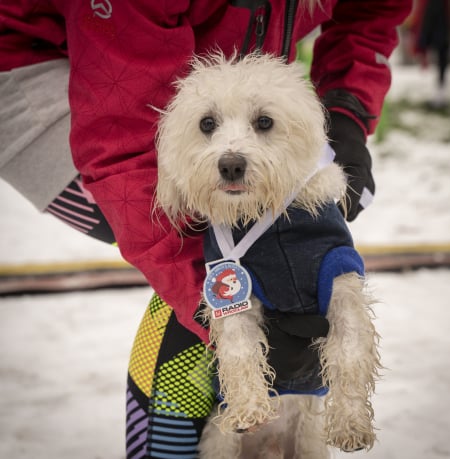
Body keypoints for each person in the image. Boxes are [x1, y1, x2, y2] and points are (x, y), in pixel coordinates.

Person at [0, 1, 411, 457]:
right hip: (39, 65)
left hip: (206, 68)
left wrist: (345, 111)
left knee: (255, 243)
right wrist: (215, 302)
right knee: (196, 257)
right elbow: (119, 149)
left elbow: (372, 12)